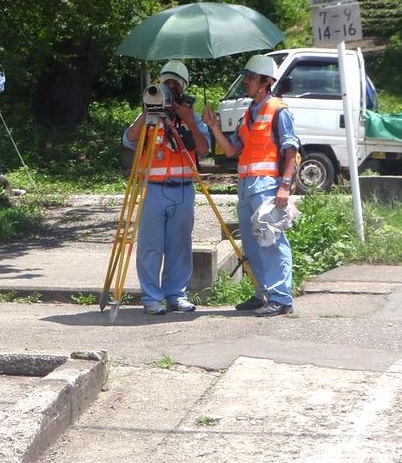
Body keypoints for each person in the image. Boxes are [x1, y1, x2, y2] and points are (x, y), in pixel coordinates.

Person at [203, 55, 299, 317]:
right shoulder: (249, 114)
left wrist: (285, 187)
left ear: (266, 82)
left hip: (267, 186)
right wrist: (213, 126)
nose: (246, 81)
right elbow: (232, 150)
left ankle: (281, 297)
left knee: (272, 240)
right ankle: (262, 293)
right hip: (247, 187)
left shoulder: (279, 110)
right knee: (252, 243)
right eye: (246, 77)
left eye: (250, 77)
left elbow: (291, 150)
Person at [123, 60, 210, 315]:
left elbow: (204, 148)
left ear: (183, 88)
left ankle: (176, 295)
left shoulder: (189, 117)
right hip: (153, 189)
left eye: (175, 85)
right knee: (150, 247)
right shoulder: (150, 117)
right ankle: (152, 298)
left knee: (179, 246)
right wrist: (146, 112)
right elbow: (129, 140)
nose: (170, 89)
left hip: (183, 189)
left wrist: (187, 119)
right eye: (166, 84)